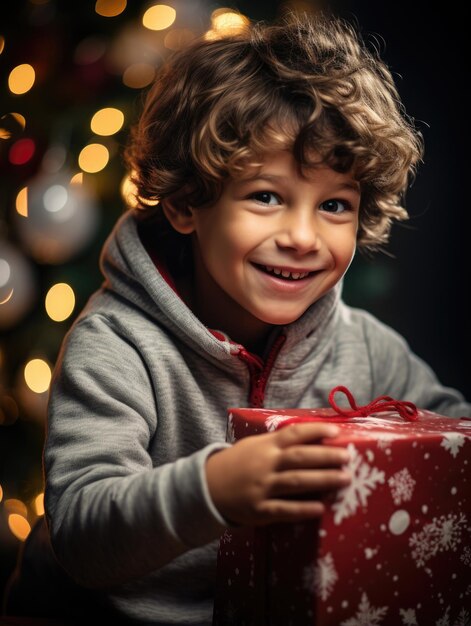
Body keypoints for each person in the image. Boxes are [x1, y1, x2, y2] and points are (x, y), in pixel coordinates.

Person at [38, 11, 470, 626]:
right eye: (266, 196)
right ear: (188, 202)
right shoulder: (117, 347)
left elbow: (455, 437)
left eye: (334, 205)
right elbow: (81, 532)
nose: (301, 236)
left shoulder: (367, 349)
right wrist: (212, 490)